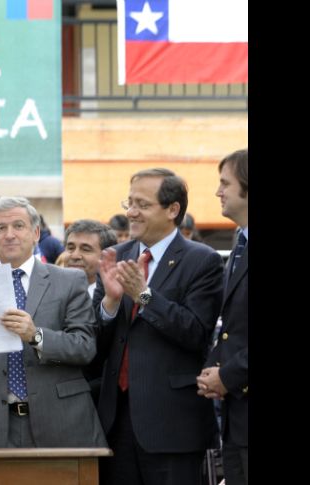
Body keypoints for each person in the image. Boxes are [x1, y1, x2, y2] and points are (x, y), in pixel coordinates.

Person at [0, 196, 107, 448]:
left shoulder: (69, 281)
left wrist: (36, 336)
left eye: (18, 226)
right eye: (0, 228)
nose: (9, 235)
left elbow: (84, 347)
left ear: (36, 233)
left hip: (62, 422)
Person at [93, 169, 223, 485]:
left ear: (172, 209)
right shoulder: (116, 257)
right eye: (129, 202)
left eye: (143, 204)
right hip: (116, 421)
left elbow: (196, 333)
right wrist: (110, 304)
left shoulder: (201, 260)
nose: (131, 212)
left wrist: (145, 296)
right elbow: (94, 343)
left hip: (172, 425)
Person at [197, 149, 248, 485]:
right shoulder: (239, 242)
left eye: (225, 183)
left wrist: (227, 375)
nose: (218, 192)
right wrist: (215, 369)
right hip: (236, 421)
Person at [62, 219, 118, 404]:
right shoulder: (49, 290)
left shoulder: (118, 296)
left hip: (100, 398)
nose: (75, 255)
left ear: (105, 257)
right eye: (70, 247)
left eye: (86, 249)